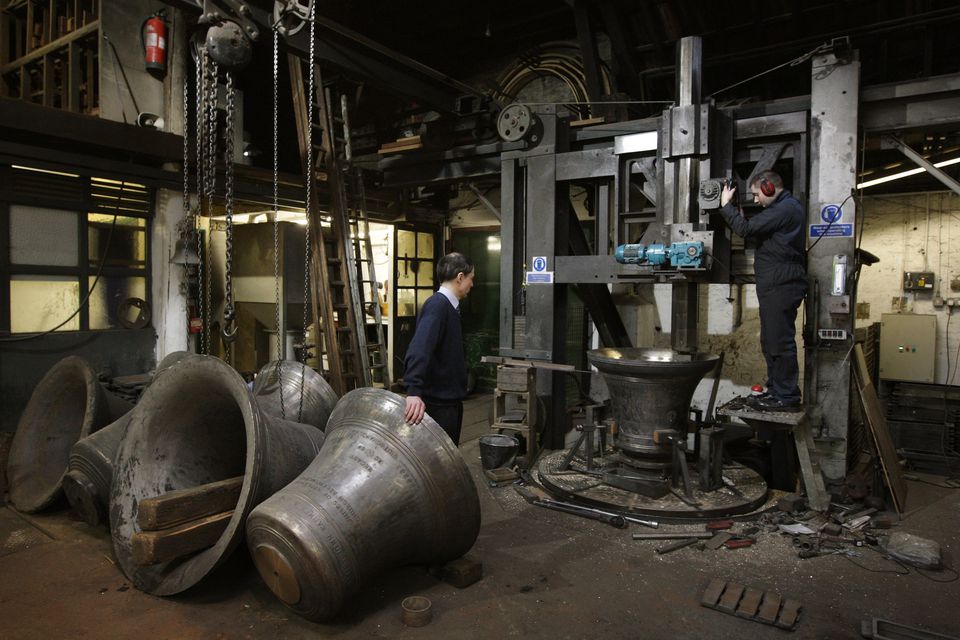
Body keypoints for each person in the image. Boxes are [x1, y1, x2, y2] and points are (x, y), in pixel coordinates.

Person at [720, 171, 806, 412]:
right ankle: (776, 391)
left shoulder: (785, 208)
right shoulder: (781, 209)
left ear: (769, 188)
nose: (756, 200)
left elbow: (745, 230)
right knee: (770, 341)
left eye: (757, 194)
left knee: (779, 342)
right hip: (775, 285)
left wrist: (725, 205)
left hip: (782, 285)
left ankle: (787, 397)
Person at [402, 252, 475, 443]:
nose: (472, 285)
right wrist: (414, 391)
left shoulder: (448, 307)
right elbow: (419, 348)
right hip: (439, 406)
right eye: (471, 279)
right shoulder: (438, 306)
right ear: (460, 277)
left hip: (449, 402)